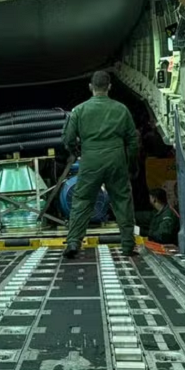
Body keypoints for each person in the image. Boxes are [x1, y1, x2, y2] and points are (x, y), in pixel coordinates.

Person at [61, 70, 139, 258]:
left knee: (82, 200)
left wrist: (77, 153)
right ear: (109, 87)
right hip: (116, 159)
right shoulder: (121, 109)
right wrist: (131, 164)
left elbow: (68, 139)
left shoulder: (79, 110)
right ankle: (128, 245)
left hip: (90, 159)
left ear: (91, 87)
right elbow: (133, 141)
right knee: (122, 201)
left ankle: (73, 242)